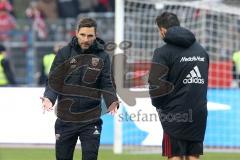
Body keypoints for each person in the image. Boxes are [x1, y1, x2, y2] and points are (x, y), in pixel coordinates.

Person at [41, 18, 119, 160]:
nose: (85, 39)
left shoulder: (102, 56)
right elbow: (54, 81)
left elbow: (107, 83)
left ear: (95, 36)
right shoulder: (64, 53)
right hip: (65, 119)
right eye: (82, 35)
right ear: (76, 33)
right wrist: (49, 98)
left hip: (91, 120)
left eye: (90, 36)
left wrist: (112, 100)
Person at [148, 12, 209, 160]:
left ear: (162, 30)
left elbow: (156, 86)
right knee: (193, 155)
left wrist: (159, 105)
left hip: (174, 113)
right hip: (198, 112)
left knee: (175, 155)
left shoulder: (162, 52)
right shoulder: (201, 51)